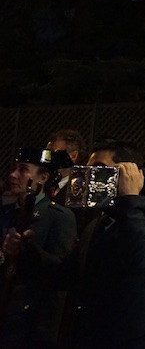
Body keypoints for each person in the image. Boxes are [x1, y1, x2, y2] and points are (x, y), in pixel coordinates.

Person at [66, 140, 145, 348]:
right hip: (97, 333)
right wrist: (28, 252)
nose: (89, 175)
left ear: (127, 173)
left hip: (136, 337)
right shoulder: (99, 222)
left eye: (99, 169)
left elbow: (140, 259)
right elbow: (71, 274)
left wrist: (130, 198)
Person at [0, 148, 77, 349]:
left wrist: (28, 250)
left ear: (43, 177)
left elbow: (60, 270)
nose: (13, 175)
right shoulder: (6, 212)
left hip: (30, 320)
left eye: (23, 169)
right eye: (14, 168)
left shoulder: (58, 216)